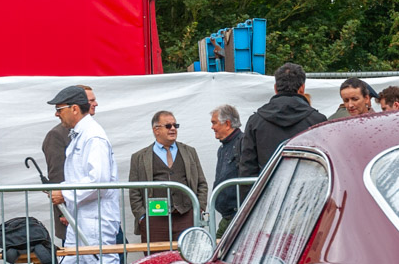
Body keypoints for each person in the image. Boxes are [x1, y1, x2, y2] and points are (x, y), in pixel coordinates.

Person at [47, 84, 121, 264]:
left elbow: (98, 181)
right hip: (82, 217)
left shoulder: (93, 137)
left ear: (74, 109)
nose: (58, 114)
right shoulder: (81, 134)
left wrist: (65, 194)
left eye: (60, 109)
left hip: (96, 218)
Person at [128, 111, 208, 245]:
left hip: (186, 217)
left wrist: (198, 209)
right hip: (155, 220)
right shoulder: (139, 157)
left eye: (175, 125)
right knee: (155, 261)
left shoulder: (190, 152)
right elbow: (134, 191)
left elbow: (201, 183)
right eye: (168, 126)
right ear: (156, 130)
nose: (173, 129)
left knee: (188, 260)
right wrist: (143, 217)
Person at [238, 62, 327, 178]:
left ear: (275, 88)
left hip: (266, 192)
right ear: (302, 88)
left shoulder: (255, 121)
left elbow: (247, 168)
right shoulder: (318, 121)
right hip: (307, 192)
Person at [42, 84, 94, 240]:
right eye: (91, 100)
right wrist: (63, 211)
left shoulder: (91, 133)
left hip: (89, 214)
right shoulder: (57, 135)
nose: (94, 104)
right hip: (72, 214)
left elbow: (98, 178)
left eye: (59, 110)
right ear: (76, 107)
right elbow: (57, 175)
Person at [210, 104, 245, 235]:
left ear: (227, 124)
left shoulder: (243, 143)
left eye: (214, 123)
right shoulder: (223, 148)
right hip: (229, 216)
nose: (212, 127)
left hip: (237, 216)